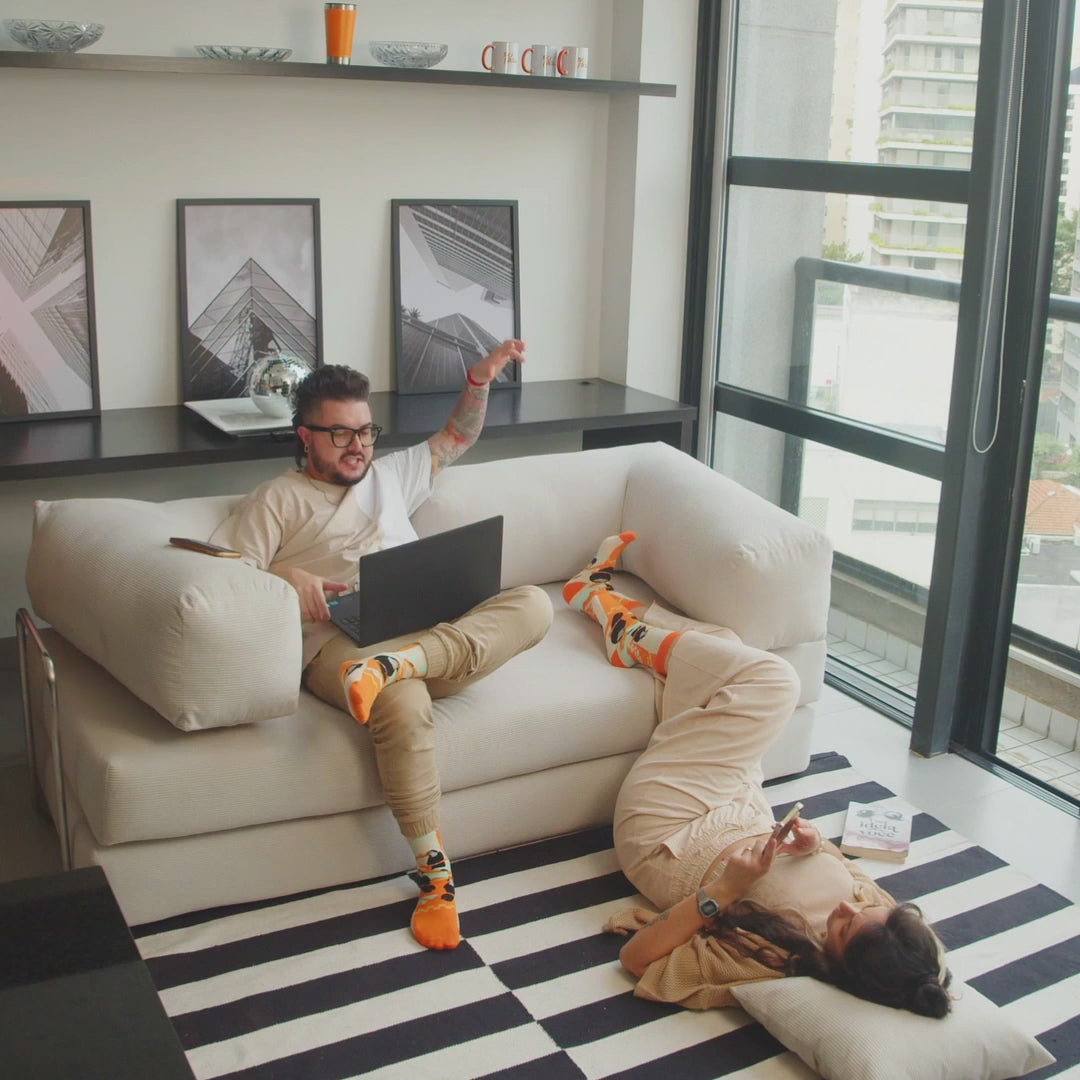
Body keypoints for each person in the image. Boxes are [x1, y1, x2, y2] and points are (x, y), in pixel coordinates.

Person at [211, 341, 553, 952]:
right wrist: (289, 577)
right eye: (340, 434)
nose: (358, 446)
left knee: (534, 603)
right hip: (338, 644)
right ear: (305, 437)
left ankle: (398, 664)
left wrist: (478, 381)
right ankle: (436, 878)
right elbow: (226, 574)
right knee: (401, 701)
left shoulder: (392, 475)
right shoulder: (276, 499)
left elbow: (457, 437)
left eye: (366, 432)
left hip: (424, 631)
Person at [561, 531, 952, 1017]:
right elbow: (856, 885)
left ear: (841, 964)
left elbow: (636, 959)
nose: (849, 907)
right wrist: (816, 846)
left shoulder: (775, 958)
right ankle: (606, 609)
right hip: (741, 803)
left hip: (670, 828)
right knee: (726, 649)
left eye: (844, 926)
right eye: (865, 909)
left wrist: (725, 889)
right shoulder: (887, 929)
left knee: (773, 680)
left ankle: (615, 620)